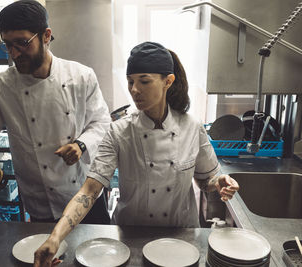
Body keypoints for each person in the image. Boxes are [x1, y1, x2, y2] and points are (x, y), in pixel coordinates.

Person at [33, 41, 240, 267]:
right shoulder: (119, 130)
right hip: (130, 239)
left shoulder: (192, 127)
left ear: (167, 82)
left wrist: (219, 181)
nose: (134, 90)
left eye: (144, 81)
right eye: (130, 82)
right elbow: (90, 191)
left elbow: (205, 180)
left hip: (181, 238)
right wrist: (55, 237)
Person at [0, 0, 111, 224]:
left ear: (46, 35)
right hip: (41, 205)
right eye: (7, 44)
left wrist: (81, 145)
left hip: (85, 197)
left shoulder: (81, 76)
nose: (14, 54)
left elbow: (101, 123)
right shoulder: (2, 88)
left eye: (22, 43)